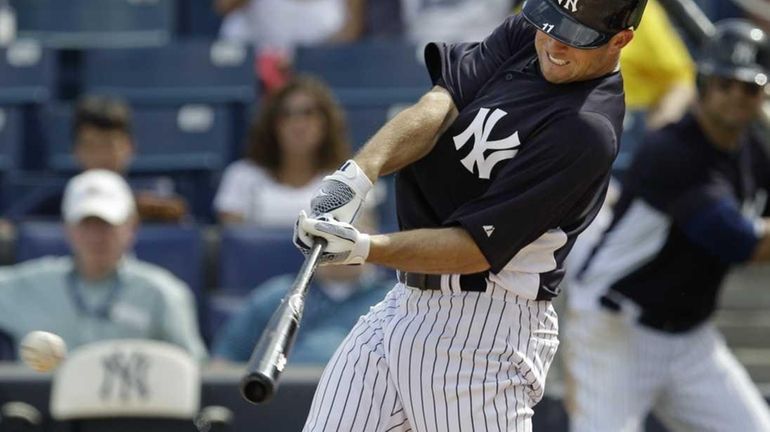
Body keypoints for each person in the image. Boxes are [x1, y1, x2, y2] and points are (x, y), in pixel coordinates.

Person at [291, 0, 647, 429]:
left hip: (482, 335)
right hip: (406, 305)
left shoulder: (587, 130)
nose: (553, 43)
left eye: (574, 37)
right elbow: (439, 106)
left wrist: (364, 248)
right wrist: (355, 177)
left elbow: (475, 248)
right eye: (550, 25)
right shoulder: (529, 36)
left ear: (620, 40)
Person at [563, 20, 770, 432]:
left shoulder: (755, 150)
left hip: (690, 336)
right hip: (616, 330)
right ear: (703, 83)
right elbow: (743, 244)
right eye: (724, 83)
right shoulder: (674, 151)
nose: (734, 97)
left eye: (748, 88)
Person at [0, 170, 207, 361]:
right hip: (40, 401)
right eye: (85, 224)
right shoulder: (31, 283)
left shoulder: (164, 294)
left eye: (107, 224)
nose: (96, 236)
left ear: (131, 226)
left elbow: (191, 369)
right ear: (67, 228)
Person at [4, 95, 188, 222]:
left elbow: (179, 215)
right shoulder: (56, 199)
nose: (101, 155)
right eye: (92, 146)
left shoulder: (155, 194)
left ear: (130, 147)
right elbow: (9, 229)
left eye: (109, 145)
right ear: (76, 151)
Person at [213, 75, 351, 227]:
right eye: (287, 115)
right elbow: (234, 246)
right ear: (272, 125)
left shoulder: (348, 180)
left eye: (308, 113)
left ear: (326, 124)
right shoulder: (242, 177)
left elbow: (364, 242)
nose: (298, 125)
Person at [212, 265, 391, 364]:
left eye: (355, 230)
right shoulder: (278, 297)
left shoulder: (394, 300)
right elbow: (224, 363)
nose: (343, 243)